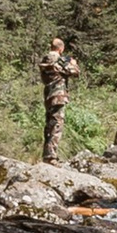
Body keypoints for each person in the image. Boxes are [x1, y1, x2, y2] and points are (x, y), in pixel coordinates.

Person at [40, 34, 79, 164]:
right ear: (60, 49)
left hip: (48, 96)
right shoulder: (60, 61)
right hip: (58, 95)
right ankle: (51, 156)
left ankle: (46, 155)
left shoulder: (45, 59)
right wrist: (73, 63)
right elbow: (75, 72)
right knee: (57, 124)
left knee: (49, 125)